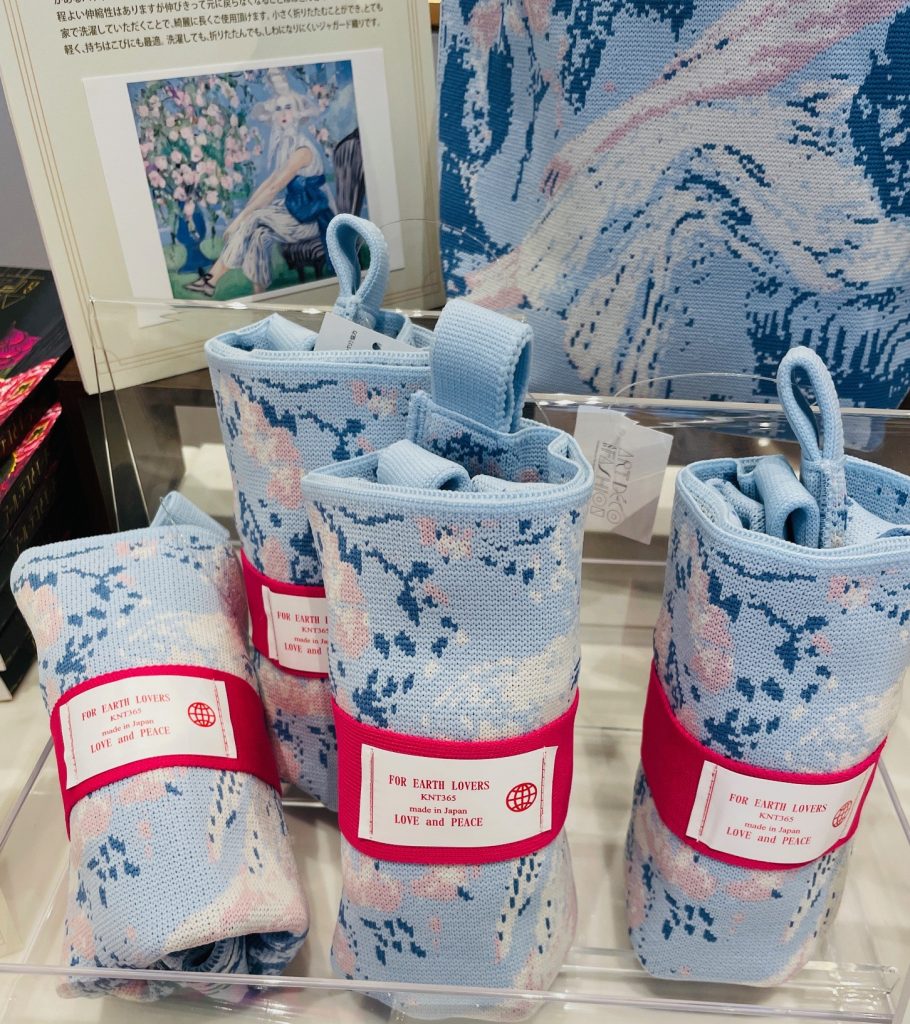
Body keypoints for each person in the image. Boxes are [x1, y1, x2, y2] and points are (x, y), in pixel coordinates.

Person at [187, 69, 336, 297]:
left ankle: (212, 279)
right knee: (259, 235)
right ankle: (260, 294)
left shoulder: (302, 149)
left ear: (298, 113)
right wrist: (242, 214)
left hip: (312, 217)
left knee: (254, 218)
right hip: (294, 211)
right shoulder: (285, 146)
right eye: (278, 109)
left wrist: (240, 220)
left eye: (288, 107)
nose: (283, 113)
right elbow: (269, 183)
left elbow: (275, 188)